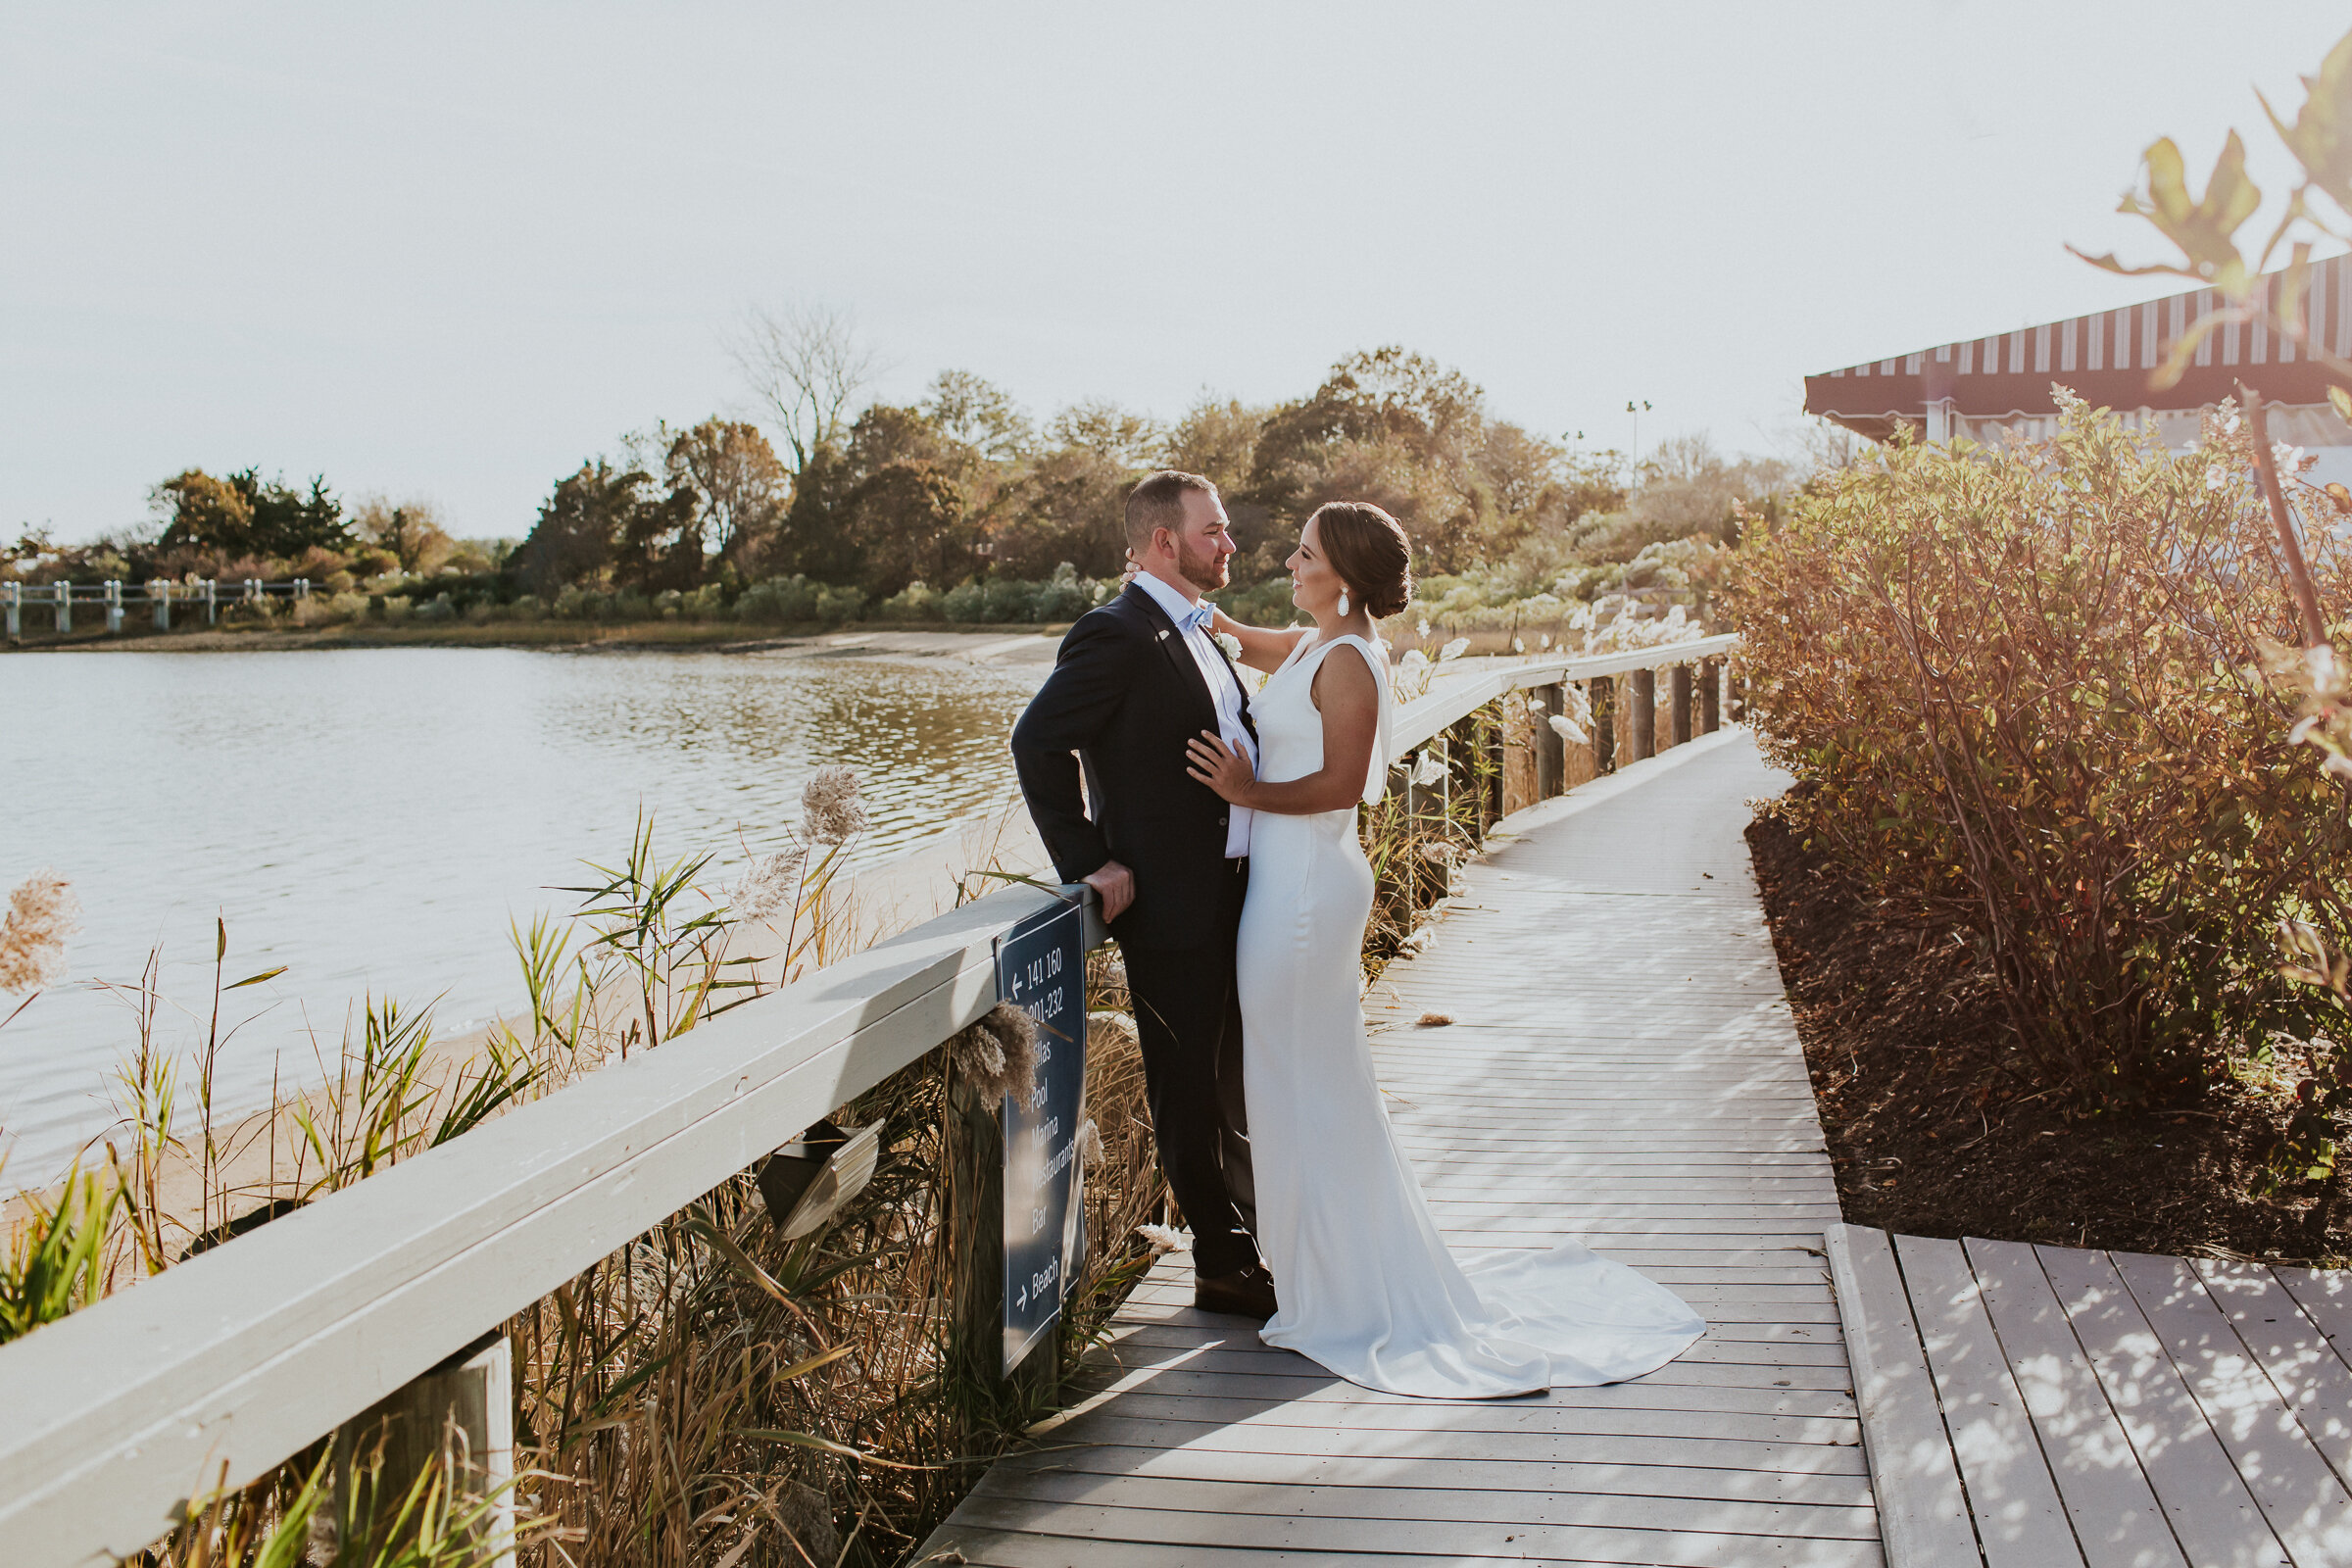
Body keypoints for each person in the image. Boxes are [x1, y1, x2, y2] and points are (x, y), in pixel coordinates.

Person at [1181, 500, 1706, 1398]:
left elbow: (1345, 785)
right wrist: (1219, 624)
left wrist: (1246, 787)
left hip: (1304, 894)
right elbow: (1277, 650)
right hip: (1288, 888)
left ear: (1341, 577)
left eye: (1305, 554)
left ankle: (1346, 1284)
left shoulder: (1349, 661)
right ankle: (1320, 1269)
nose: (1291, 562)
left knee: (1308, 1082)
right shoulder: (1319, 644)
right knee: (1295, 1077)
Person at [1009, 470, 1276, 1319]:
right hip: (1170, 907)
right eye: (1215, 530)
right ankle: (1222, 1263)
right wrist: (1092, 861)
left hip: (1235, 893)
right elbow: (1037, 742)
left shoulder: (1198, 630)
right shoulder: (1116, 632)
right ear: (1165, 540)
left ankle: (1249, 1236)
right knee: (1184, 1085)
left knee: (1230, 1075)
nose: (1228, 544)